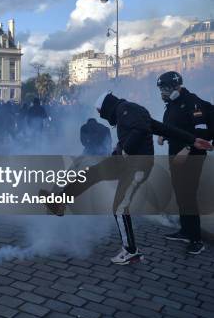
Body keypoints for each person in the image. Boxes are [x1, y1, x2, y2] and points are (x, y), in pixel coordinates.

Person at [40, 92, 212, 265]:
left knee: (120, 207)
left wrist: (124, 150)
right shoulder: (132, 111)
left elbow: (141, 130)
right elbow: (161, 128)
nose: (104, 117)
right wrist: (192, 139)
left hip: (136, 167)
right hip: (126, 164)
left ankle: (131, 252)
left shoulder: (125, 109)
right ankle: (60, 202)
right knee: (92, 173)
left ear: (106, 108)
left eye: (101, 113)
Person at [156, 71, 213, 255]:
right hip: (176, 157)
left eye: (164, 88)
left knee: (188, 195)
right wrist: (164, 136)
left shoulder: (192, 103)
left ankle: (196, 239)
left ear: (175, 87)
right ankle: (185, 231)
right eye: (161, 89)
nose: (162, 92)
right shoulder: (172, 104)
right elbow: (174, 127)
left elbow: (202, 135)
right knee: (180, 193)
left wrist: (187, 149)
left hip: (192, 157)